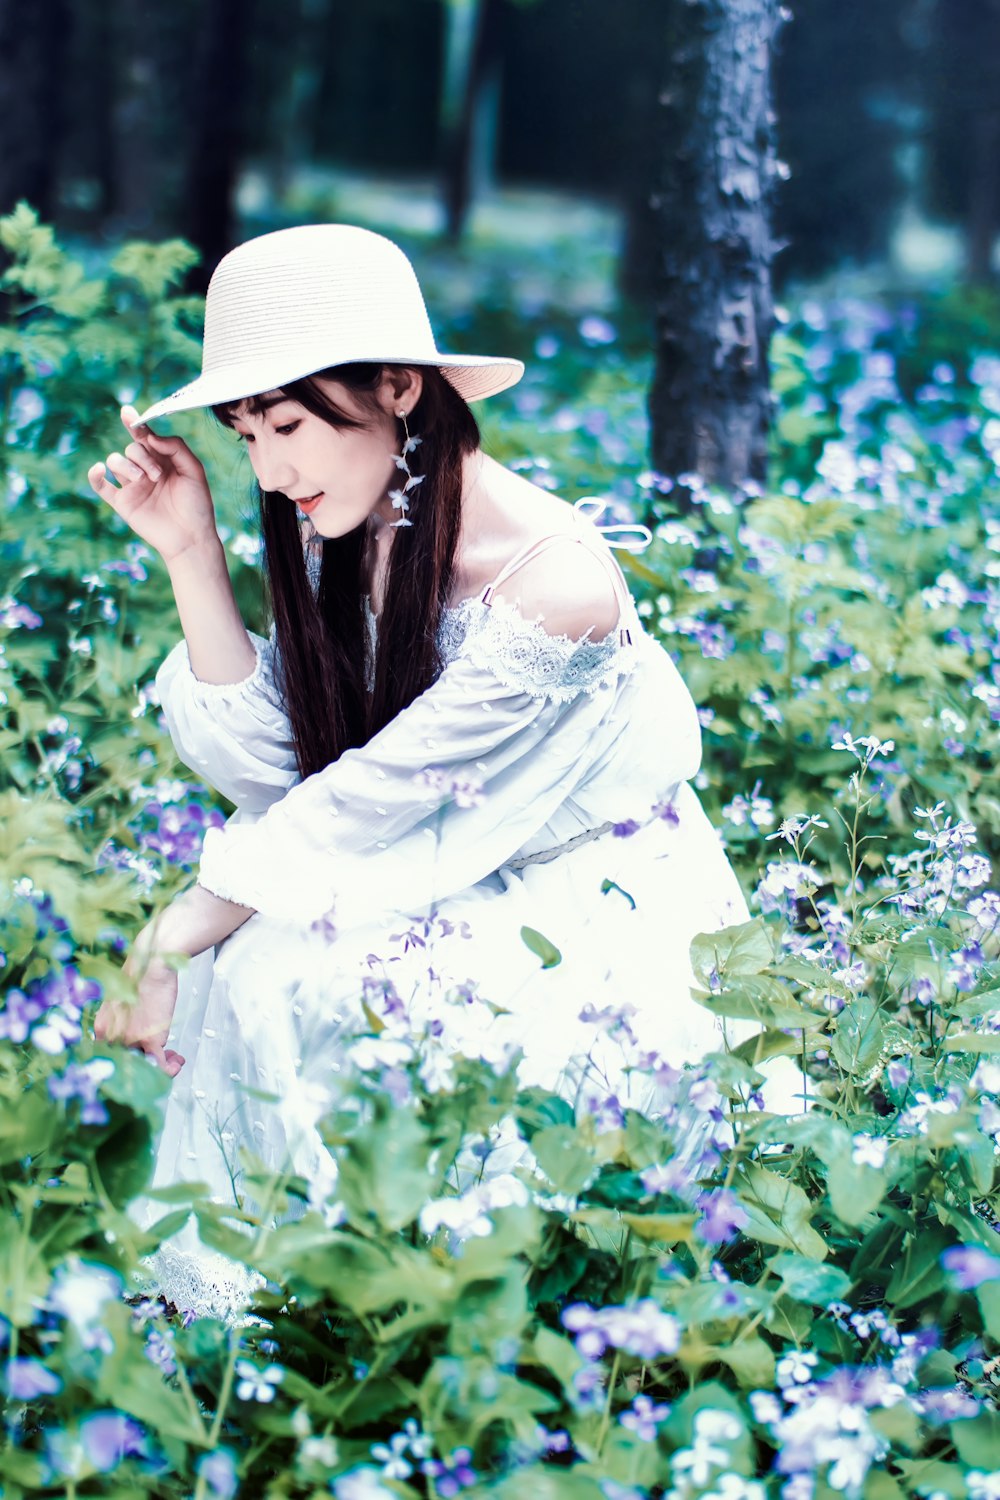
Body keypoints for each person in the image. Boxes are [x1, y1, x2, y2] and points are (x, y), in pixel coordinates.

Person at [87, 224, 753, 1317]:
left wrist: (168, 931)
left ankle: (336, 1311)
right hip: (443, 862)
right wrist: (191, 555)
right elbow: (276, 766)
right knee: (259, 952)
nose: (267, 467)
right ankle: (277, 1302)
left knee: (263, 962)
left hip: (586, 906)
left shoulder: (556, 587)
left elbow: (362, 802)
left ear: (398, 387)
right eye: (245, 431)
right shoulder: (349, 522)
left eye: (289, 423)